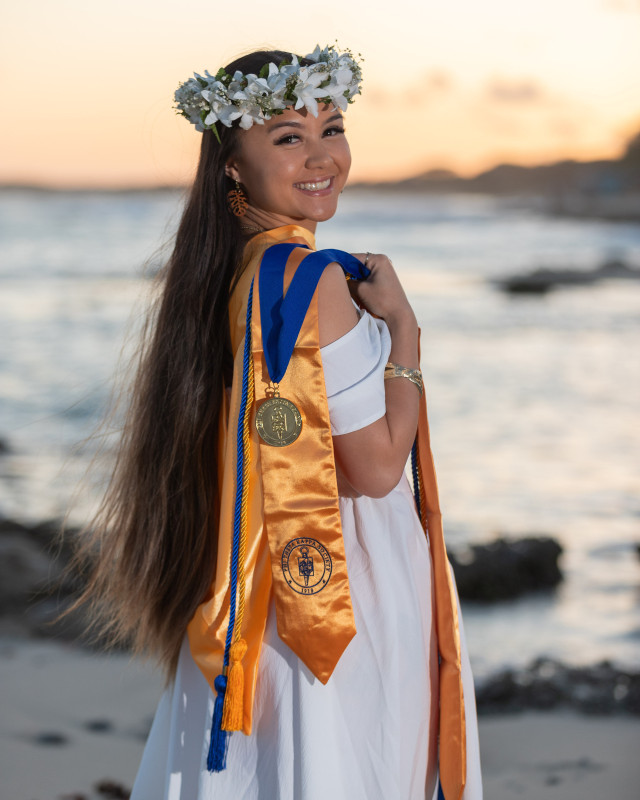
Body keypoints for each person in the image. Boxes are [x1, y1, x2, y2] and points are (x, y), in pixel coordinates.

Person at [77, 45, 482, 799]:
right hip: (340, 596)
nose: (323, 155)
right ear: (232, 164)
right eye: (289, 136)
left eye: (333, 127)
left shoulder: (232, 275)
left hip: (269, 598)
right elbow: (377, 468)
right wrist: (404, 332)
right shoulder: (310, 280)